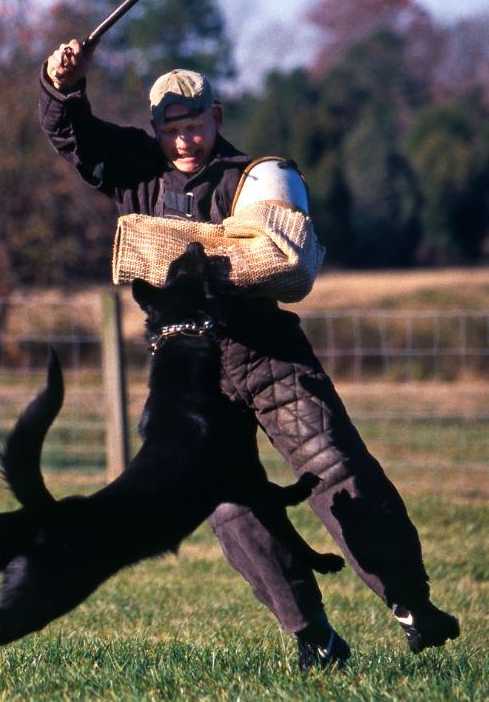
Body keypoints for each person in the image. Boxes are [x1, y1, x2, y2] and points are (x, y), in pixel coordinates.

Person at [39, 39, 460, 669]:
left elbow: (280, 259)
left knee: (335, 468)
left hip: (264, 354)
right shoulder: (135, 170)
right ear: (155, 130)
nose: (185, 143)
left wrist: (175, 248)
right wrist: (61, 85)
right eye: (172, 131)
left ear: (218, 118)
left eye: (195, 127)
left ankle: (410, 604)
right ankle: (313, 636)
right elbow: (72, 136)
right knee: (228, 503)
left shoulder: (255, 176)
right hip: (186, 370)